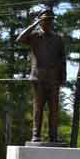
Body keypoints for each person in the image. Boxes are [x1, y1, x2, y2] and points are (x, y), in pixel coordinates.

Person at [16, 8, 67, 143]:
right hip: (38, 78)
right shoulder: (34, 37)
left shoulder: (58, 39)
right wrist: (34, 24)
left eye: (50, 20)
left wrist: (63, 78)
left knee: (54, 110)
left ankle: (53, 136)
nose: (48, 22)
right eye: (45, 20)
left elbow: (63, 60)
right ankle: (36, 135)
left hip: (53, 79)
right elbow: (20, 39)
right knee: (38, 108)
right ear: (40, 21)